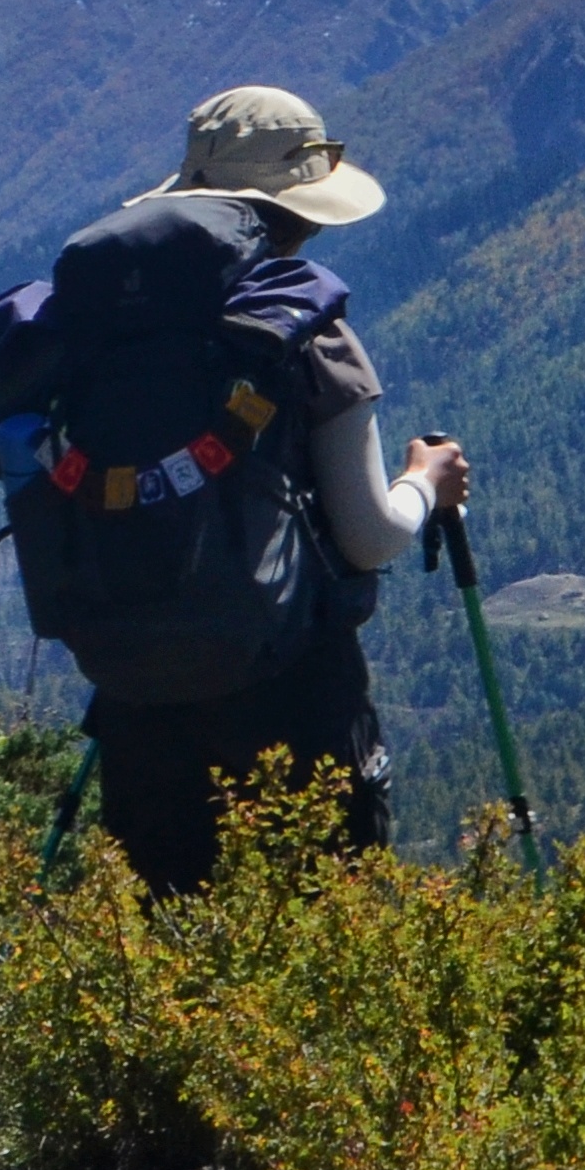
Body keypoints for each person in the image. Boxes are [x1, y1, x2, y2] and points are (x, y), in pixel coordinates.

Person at [55, 83, 466, 891]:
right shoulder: (300, 328)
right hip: (293, 696)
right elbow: (367, 535)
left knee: (164, 953)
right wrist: (426, 482)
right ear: (301, 210)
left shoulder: (103, 329)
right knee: (318, 949)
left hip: (136, 698)